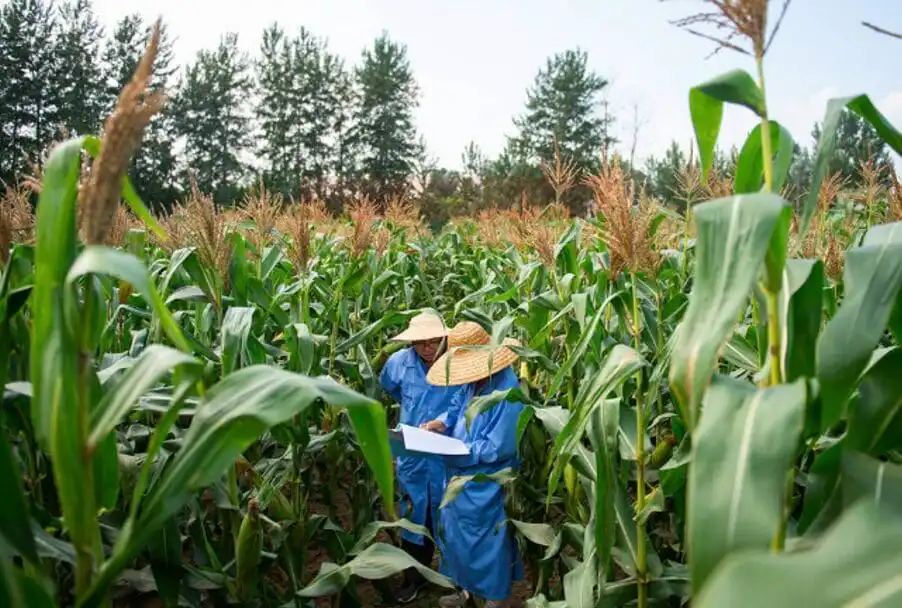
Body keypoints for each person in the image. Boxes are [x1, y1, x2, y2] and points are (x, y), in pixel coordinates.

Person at [422, 321, 525, 608]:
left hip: (487, 482)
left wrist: (459, 450)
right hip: (458, 479)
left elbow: (497, 447)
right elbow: (455, 407)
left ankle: (495, 599)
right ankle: (465, 592)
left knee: (488, 545)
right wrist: (440, 423)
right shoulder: (472, 381)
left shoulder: (508, 392)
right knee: (457, 541)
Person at [379, 312, 469, 604]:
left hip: (445, 454)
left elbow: (463, 404)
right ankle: (413, 579)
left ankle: (452, 582)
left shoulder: (457, 365)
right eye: (421, 343)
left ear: (445, 339)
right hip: (413, 457)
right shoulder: (398, 364)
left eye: (434, 342)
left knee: (449, 517)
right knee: (413, 516)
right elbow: (390, 387)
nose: (428, 348)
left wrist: (440, 421)